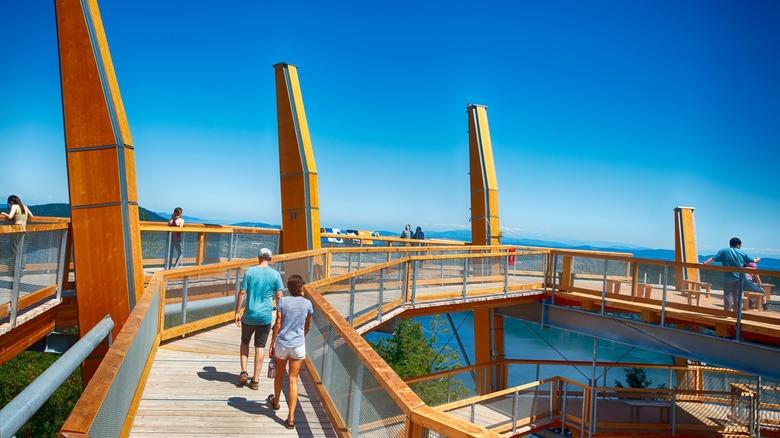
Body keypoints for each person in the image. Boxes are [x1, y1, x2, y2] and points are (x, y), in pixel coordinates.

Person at [267, 275, 313, 430]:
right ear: (301, 288)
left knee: (280, 373)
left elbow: (278, 324)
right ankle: (291, 418)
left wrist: (272, 343)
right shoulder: (307, 303)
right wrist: (300, 337)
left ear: (288, 287)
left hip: (282, 343)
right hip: (298, 345)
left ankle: (276, 402)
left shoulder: (282, 301)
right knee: (293, 379)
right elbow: (307, 327)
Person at [235, 248, 283, 390]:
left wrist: (237, 312)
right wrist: (280, 316)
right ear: (270, 259)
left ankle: (244, 371)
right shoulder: (275, 274)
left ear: (258, 258)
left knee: (245, 342)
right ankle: (255, 380)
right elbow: (279, 296)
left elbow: (243, 292)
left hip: (249, 315)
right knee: (260, 346)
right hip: (265, 317)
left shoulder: (250, 271)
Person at [702, 237, 762, 312]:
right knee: (737, 295)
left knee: (728, 295)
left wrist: (704, 263)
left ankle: (727, 313)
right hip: (739, 277)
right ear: (738, 245)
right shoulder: (742, 253)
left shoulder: (724, 251)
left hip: (727, 277)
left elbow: (713, 258)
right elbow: (753, 261)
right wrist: (758, 259)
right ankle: (737, 314)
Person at [1, 195, 33, 274]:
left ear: (11, 202)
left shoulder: (14, 206)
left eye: (9, 203)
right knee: (23, 250)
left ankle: (16, 268)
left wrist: (4, 214)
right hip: (24, 229)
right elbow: (31, 216)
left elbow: (10, 216)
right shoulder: (24, 206)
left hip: (17, 229)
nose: (10, 205)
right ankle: (22, 267)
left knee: (15, 249)